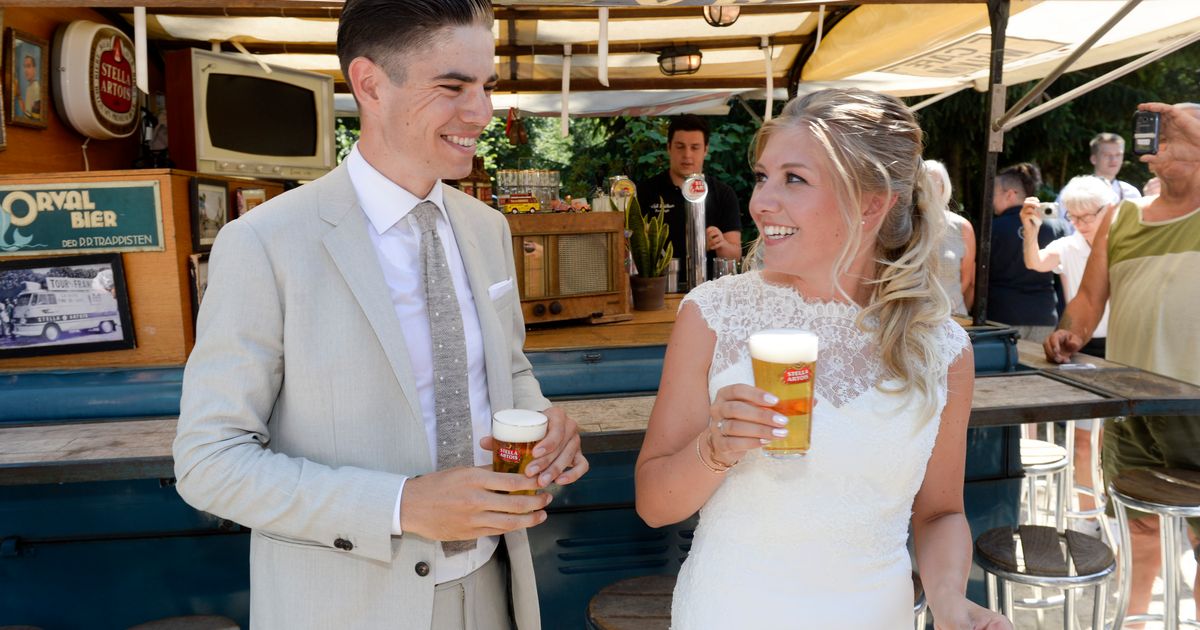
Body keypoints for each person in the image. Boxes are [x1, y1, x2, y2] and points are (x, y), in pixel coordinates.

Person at [172, 2, 588, 628]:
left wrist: (543, 426)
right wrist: (400, 505)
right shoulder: (264, 242)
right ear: (369, 84)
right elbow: (209, 463)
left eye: (486, 87)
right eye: (452, 86)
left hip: (497, 586)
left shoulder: (487, 228)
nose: (481, 112)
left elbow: (507, 369)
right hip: (350, 605)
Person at [635, 88, 1011, 630]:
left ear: (871, 204)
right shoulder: (712, 314)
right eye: (763, 176)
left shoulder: (942, 349)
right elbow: (654, 504)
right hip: (728, 610)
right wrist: (715, 449)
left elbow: (940, 512)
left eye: (794, 179)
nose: (761, 202)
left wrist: (950, 601)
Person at [1045, 102, 1200, 622]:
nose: (1167, 145)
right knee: (1138, 526)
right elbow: (1090, 299)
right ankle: (1133, 621)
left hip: (1196, 407)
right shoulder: (1121, 215)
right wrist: (1070, 331)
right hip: (1131, 407)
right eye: (1164, 136)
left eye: (1183, 136)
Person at [637, 115, 741, 288]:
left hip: (710, 292)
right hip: (660, 291)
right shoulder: (646, 191)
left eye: (695, 147)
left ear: (706, 149)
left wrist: (720, 243)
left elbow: (735, 255)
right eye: (680, 147)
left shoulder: (723, 194)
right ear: (669, 148)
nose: (687, 155)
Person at [988, 162, 1068, 343]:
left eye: (994, 194)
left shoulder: (992, 228)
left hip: (1001, 316)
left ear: (1010, 194)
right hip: (1045, 315)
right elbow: (1064, 278)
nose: (991, 200)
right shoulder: (1056, 226)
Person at [926, 159, 976, 315]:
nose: (927, 187)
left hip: (952, 315)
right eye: (923, 182)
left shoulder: (962, 227)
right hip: (911, 318)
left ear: (944, 187)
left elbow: (967, 279)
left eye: (934, 182)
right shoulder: (903, 225)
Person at [18, 53, 41, 120]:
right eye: (24, 66)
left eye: (28, 66)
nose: (25, 70)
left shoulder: (36, 88)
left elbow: (34, 118)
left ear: (34, 69)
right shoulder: (29, 87)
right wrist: (18, 96)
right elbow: (27, 112)